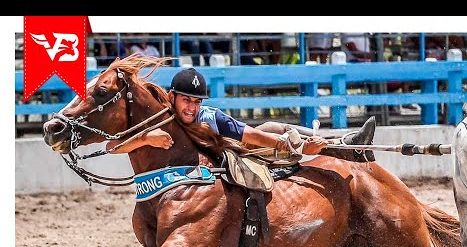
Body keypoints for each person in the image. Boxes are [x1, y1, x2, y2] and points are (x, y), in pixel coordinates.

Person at [106, 68, 376, 161]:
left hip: (236, 156)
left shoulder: (210, 117)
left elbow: (252, 135)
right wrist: (145, 139)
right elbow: (112, 146)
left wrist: (300, 146)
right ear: (172, 97)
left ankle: (344, 144)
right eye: (186, 100)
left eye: (196, 102)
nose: (191, 108)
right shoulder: (160, 121)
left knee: (272, 127)